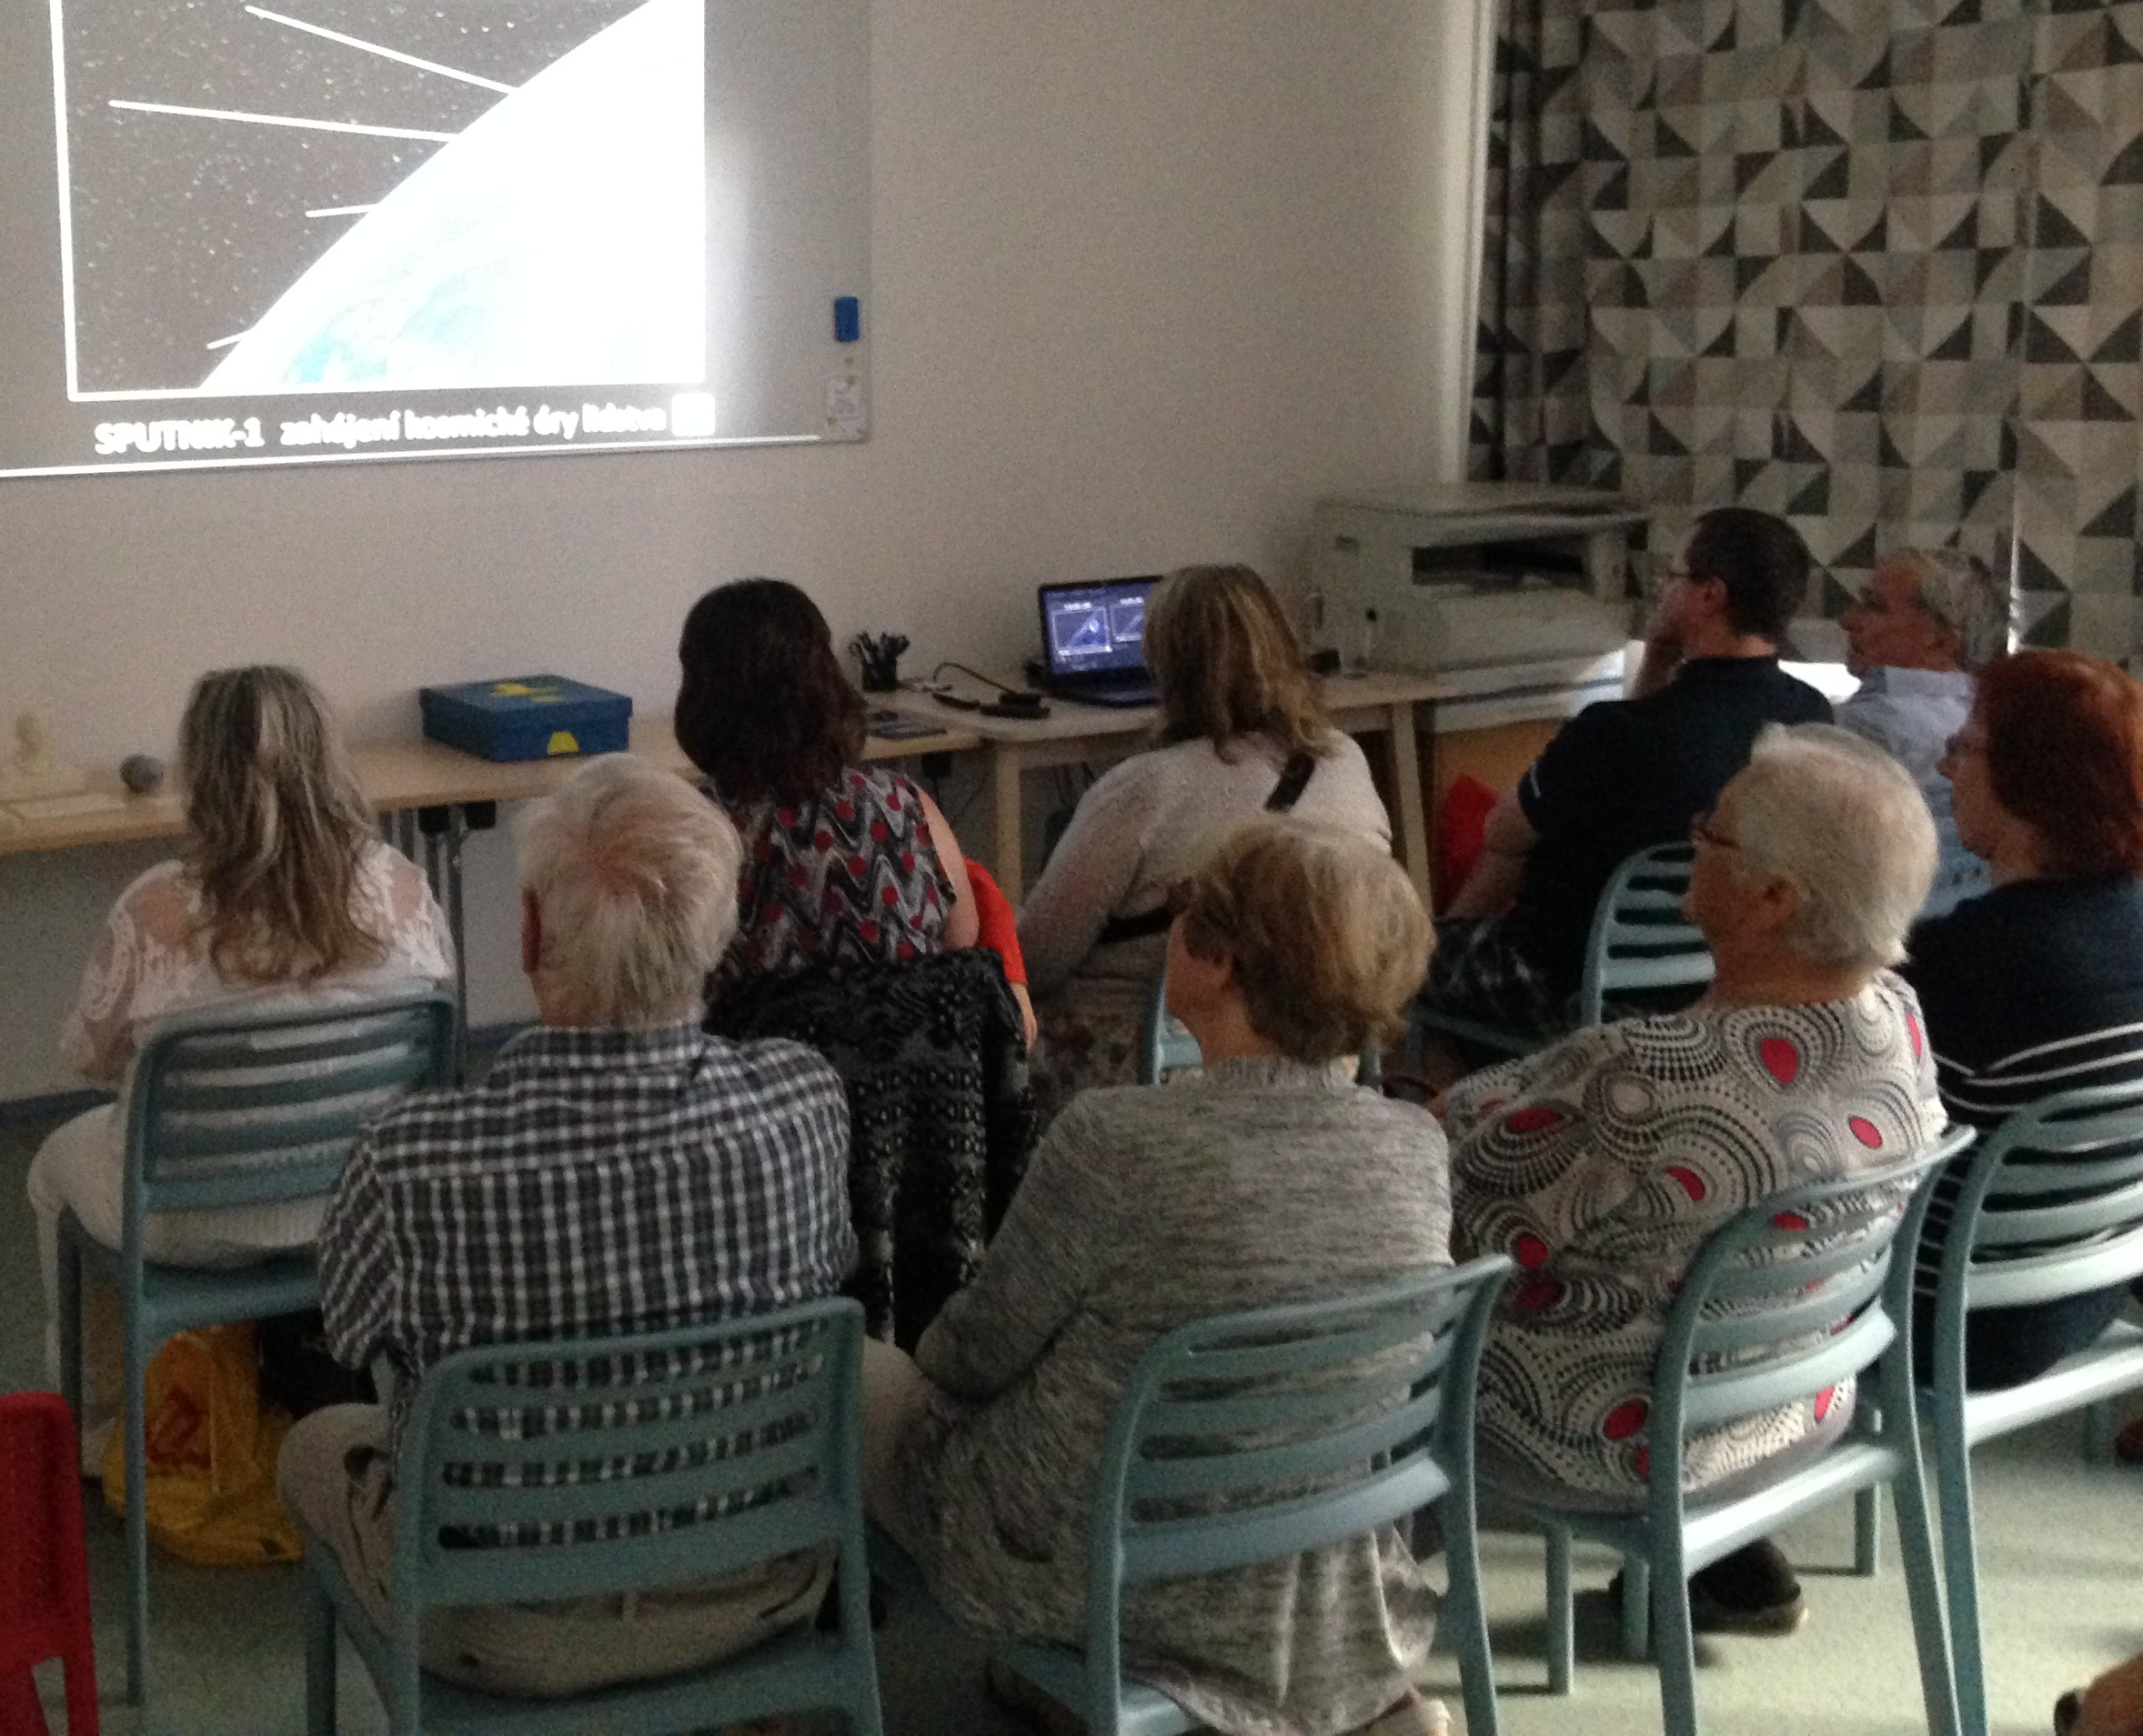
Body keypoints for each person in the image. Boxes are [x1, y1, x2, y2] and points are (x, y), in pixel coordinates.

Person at [278, 755, 855, 1698]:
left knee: (316, 1442)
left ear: (531, 932)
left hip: (503, 1628)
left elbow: (348, 1334)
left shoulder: (409, 1157)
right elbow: (830, 1268)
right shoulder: (805, 1102)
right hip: (762, 1587)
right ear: (716, 934)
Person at [865, 821, 1455, 1736]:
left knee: (858, 1373)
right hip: (1312, 1548)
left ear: (1217, 960)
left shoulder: (1115, 1140)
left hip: (1102, 1559)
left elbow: (972, 1357)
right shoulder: (1415, 1146)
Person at [1444, 726, 1947, 1636]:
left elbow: (1442, 1223)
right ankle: (1725, 1558)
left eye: (1713, 830)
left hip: (1606, 1436)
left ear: (1772, 898)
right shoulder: (1900, 1023)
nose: (1693, 836)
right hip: (1794, 1400)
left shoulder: (1646, 1075)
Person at [25, 666, 453, 1453]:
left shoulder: (155, 907)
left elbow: (88, 1057)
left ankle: (98, 1431)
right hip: (359, 1211)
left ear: (202, 773)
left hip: (183, 1221)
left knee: (55, 1166)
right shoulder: (403, 888)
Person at [1412, 506, 1833, 1068]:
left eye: (1673, 576)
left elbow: (1504, 832)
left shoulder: (1613, 732)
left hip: (1566, 985)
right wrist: (1656, 660)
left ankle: (1438, 1089)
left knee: (1400, 959)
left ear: (1709, 595)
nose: (1661, 588)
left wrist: (1455, 928)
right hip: (1710, 987)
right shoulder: (1812, 720)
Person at [1018, 563, 1390, 1101]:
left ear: (1166, 668)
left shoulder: (1143, 790)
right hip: (1321, 1053)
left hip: (1152, 1059)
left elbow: (1037, 961)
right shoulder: (1346, 760)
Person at [1907, 650, 2143, 1389]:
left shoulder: (1966, 960)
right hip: (2091, 1291)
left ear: (2027, 778)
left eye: (1966, 747)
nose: (1947, 768)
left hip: (1954, 1327)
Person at [673, 577, 989, 1015]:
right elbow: (962, 938)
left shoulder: (691, 828)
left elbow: (663, 977)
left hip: (753, 1058)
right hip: (906, 1051)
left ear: (702, 697)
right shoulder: (904, 802)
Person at [1837, 545, 1998, 901]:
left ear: (1940, 638)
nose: (1848, 619)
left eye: (1874, 607)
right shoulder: (1987, 717)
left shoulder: (1872, 725)